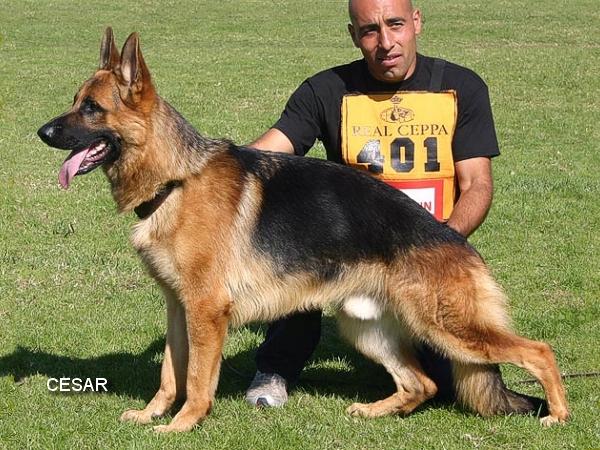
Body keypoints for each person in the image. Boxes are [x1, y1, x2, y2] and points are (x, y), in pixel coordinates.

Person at [245, 0, 499, 407]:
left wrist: (439, 249)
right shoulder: (325, 89)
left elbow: (477, 185)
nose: (385, 42)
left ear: (416, 22)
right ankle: (275, 368)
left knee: (455, 390)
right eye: (369, 31)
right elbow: (263, 156)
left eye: (396, 25)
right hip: (346, 254)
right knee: (294, 241)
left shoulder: (461, 87)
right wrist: (207, 172)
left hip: (421, 251)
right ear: (353, 36)